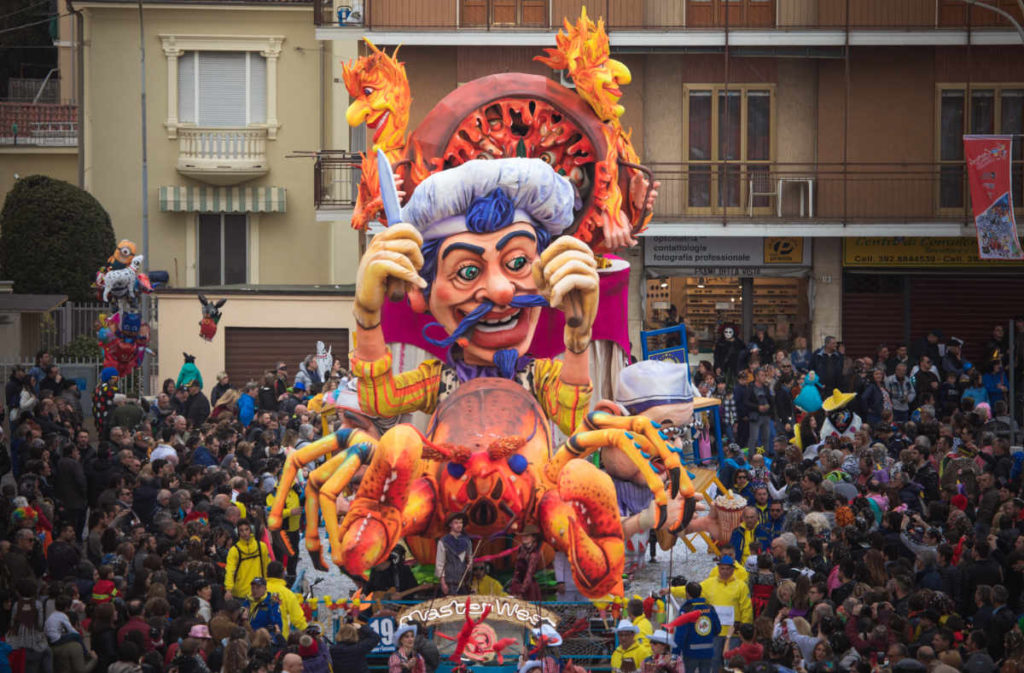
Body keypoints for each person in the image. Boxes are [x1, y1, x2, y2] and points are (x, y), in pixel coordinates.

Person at [700, 555, 752, 673]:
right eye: (722, 568)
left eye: (728, 569)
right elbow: (692, 590)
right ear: (718, 569)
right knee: (714, 661)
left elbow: (746, 608)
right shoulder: (708, 584)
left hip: (733, 632)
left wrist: (745, 629)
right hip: (715, 632)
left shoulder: (741, 586)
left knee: (732, 662)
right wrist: (671, 590)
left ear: (733, 569)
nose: (725, 571)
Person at [671, 582, 721, 673]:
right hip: (708, 652)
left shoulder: (687, 609)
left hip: (691, 653)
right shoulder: (710, 608)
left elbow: (681, 634)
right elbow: (718, 629)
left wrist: (675, 653)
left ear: (687, 593)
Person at [224, 519, 271, 600]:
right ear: (238, 533)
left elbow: (267, 566)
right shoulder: (234, 550)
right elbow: (230, 570)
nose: (244, 533)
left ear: (250, 530)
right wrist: (228, 589)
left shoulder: (261, 547)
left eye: (246, 529)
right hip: (241, 593)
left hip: (259, 591)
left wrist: (269, 584)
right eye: (241, 530)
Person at [436, 512, 472, 595]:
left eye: (461, 523)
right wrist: (443, 583)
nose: (459, 525)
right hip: (449, 582)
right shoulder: (443, 542)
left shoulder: (467, 541)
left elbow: (469, 557)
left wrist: (469, 565)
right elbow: (440, 564)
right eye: (456, 523)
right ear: (450, 525)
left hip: (464, 582)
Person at [507, 529, 543, 601]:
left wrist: (522, 591)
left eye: (527, 536)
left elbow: (529, 574)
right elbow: (517, 571)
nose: (524, 537)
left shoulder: (534, 554)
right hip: (517, 585)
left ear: (533, 538)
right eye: (523, 535)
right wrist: (514, 583)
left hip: (528, 587)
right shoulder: (521, 550)